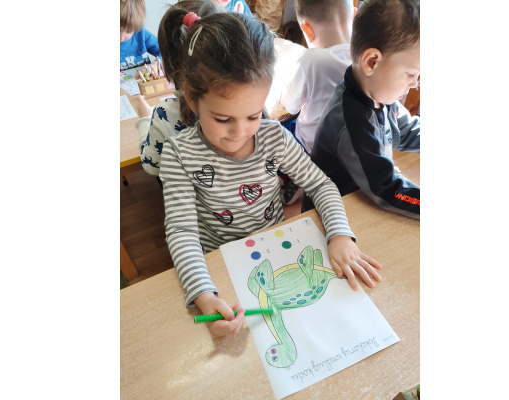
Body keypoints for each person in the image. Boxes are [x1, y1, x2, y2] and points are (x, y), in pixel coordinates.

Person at [159, 10, 383, 337]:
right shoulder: (178, 154)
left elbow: (321, 185)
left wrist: (339, 235)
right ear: (192, 99)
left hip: (274, 255)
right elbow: (182, 232)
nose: (240, 133)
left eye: (253, 116)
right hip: (218, 268)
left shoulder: (273, 137)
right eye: (223, 119)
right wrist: (205, 296)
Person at [307, 0, 420, 219]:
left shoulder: (380, 95)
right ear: (371, 62)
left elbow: (406, 131)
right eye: (410, 74)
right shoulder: (351, 123)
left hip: (365, 197)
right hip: (334, 216)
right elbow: (386, 188)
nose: (414, 84)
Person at [279, 0, 357, 205]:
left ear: (307, 29)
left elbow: (291, 105)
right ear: (354, 16)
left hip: (313, 148)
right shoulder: (365, 56)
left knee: (278, 129)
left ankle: (293, 177)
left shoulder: (312, 59)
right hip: (353, 148)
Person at [135, 0, 222, 177]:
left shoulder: (165, 114)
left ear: (168, 64)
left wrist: (145, 119)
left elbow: (152, 166)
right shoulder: (244, 99)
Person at [120, 0, 161, 71]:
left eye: (128, 31)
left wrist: (156, 64)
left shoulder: (141, 34)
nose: (121, 37)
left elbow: (164, 52)